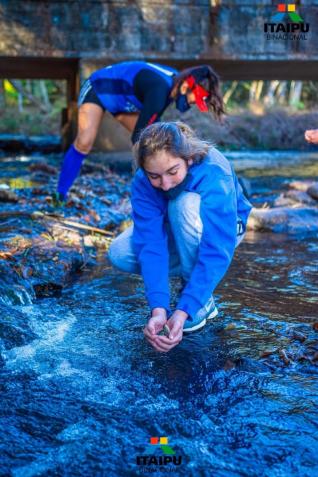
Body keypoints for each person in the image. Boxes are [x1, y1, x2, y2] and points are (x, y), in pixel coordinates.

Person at [108, 122, 252, 353]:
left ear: (189, 159)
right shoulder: (143, 181)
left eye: (172, 172)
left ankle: (200, 300)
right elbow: (151, 245)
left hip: (223, 230)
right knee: (119, 252)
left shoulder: (214, 171)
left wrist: (185, 309)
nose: (164, 184)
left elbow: (217, 249)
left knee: (182, 204)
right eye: (155, 176)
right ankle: (193, 283)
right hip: (176, 225)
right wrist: (159, 309)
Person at [56, 61, 224, 201]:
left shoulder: (172, 84)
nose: (193, 104)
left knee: (156, 141)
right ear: (186, 85)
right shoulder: (160, 90)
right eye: (195, 99)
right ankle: (60, 195)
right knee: (84, 142)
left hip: (124, 101)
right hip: (99, 87)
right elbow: (139, 138)